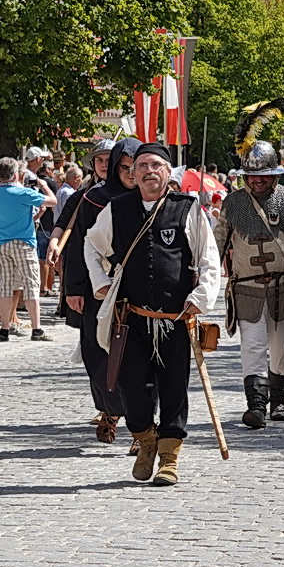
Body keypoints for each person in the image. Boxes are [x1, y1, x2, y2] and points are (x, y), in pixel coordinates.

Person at [83, 143, 221, 485]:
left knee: (174, 389)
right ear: (133, 173)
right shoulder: (117, 209)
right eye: (141, 166)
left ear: (167, 171)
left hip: (175, 320)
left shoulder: (187, 209)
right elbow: (91, 244)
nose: (148, 171)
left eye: (156, 165)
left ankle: (169, 458)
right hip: (131, 318)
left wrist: (201, 297)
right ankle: (146, 440)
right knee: (132, 388)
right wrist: (101, 283)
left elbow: (209, 258)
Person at [213, 141, 284, 430]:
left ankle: (279, 402)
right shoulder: (233, 203)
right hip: (247, 289)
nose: (257, 181)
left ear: (274, 175)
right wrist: (204, 271)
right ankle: (256, 407)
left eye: (263, 176)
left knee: (281, 347)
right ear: (245, 176)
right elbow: (217, 242)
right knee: (253, 346)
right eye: (252, 176)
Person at [58, 139, 129, 442]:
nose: (105, 165)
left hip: (135, 287)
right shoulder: (90, 198)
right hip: (95, 286)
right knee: (95, 351)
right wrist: (73, 287)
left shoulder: (149, 196)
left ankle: (138, 423)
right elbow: (77, 244)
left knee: (133, 354)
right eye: (101, 160)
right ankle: (111, 407)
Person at [0, 159, 49, 341]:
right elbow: (52, 200)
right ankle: (36, 329)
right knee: (31, 285)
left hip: (2, 243)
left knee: (5, 286)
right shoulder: (23, 193)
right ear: (15, 174)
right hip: (24, 242)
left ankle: (4, 329)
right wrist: (43, 185)